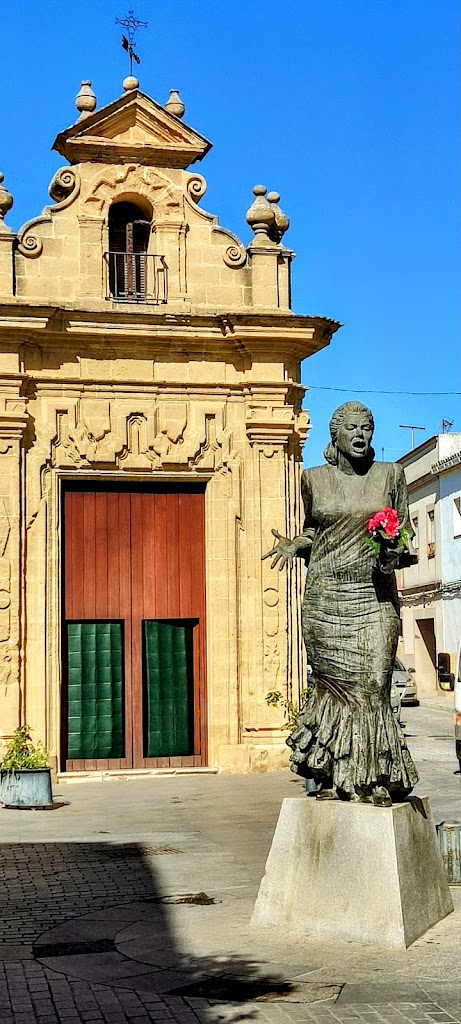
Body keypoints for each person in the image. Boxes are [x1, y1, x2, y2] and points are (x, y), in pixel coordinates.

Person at [263, 401, 419, 807]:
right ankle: (336, 772)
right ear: (335, 433)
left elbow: (403, 536)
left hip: (373, 597)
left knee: (372, 687)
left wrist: (391, 553)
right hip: (325, 598)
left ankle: (378, 775)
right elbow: (314, 530)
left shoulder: (391, 475)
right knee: (332, 689)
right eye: (351, 427)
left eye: (367, 427)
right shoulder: (313, 479)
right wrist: (298, 543)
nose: (360, 434)